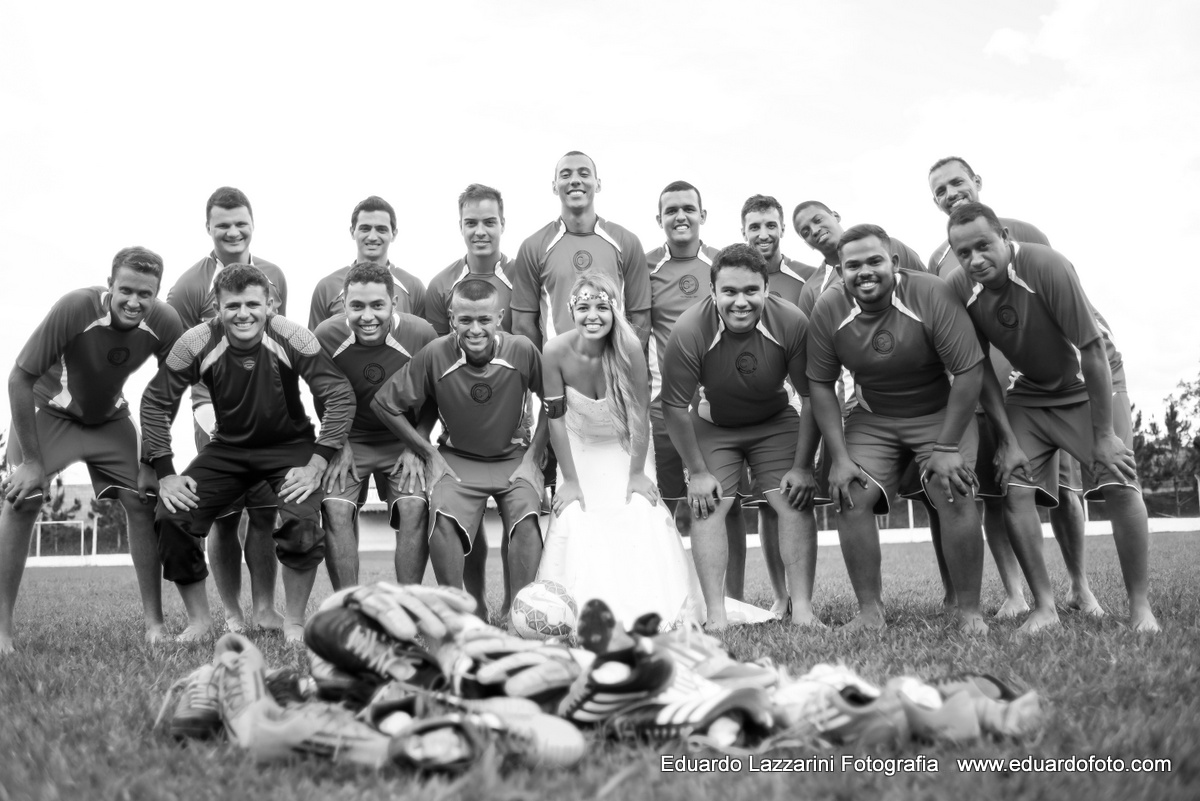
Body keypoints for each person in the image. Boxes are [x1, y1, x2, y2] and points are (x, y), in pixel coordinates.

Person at [945, 202, 1158, 633]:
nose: (975, 260)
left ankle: (1140, 608)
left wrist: (1103, 435)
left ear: (1004, 236)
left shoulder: (1046, 265)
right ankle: (1045, 607)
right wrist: (1007, 440)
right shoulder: (959, 288)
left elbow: (1092, 348)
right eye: (963, 253)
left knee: (1118, 481)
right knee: (1016, 488)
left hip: (1089, 383)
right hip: (1032, 391)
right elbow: (980, 367)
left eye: (983, 246)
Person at [142, 265, 355, 642]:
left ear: (270, 304)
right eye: (233, 305)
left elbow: (338, 393)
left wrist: (318, 461)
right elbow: (155, 401)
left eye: (253, 304)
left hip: (289, 447)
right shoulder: (195, 341)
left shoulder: (292, 335)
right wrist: (166, 472)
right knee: (172, 514)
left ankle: (292, 621)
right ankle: (200, 621)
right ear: (217, 307)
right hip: (229, 449)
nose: (244, 313)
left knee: (302, 525)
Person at [926, 157, 1100, 618]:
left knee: (1063, 491)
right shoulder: (939, 260)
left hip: (1044, 388)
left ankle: (1080, 586)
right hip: (986, 398)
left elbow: (1063, 298)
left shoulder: (1022, 232)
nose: (950, 193)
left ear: (977, 183)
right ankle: (1016, 593)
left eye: (957, 182)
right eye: (939, 190)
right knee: (999, 492)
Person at [0, 247, 183, 654]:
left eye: (146, 294)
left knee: (143, 498)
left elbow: (165, 395)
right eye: (126, 291)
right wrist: (32, 462)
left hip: (109, 420)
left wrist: (153, 460)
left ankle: (155, 624)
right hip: (51, 411)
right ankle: (2, 632)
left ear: (157, 294)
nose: (135, 302)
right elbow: (19, 378)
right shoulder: (75, 307)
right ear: (110, 285)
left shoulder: (165, 322)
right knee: (23, 499)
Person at [806, 225, 988, 634]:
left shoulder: (929, 293)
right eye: (852, 265)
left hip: (938, 413)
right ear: (839, 270)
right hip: (875, 416)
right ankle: (870, 611)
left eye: (874, 261)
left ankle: (969, 611)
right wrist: (838, 457)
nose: (864, 272)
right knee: (850, 491)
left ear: (894, 263)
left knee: (952, 485)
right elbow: (820, 383)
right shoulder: (829, 309)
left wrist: (945, 446)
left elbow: (969, 370)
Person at [661, 243, 821, 629]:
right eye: (729, 292)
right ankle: (716, 614)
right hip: (715, 426)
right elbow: (673, 406)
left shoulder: (792, 321)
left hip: (773, 421)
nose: (741, 302)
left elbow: (812, 397)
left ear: (767, 289)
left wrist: (802, 466)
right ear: (712, 292)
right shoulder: (689, 329)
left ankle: (801, 608)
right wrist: (697, 473)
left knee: (793, 501)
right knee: (708, 504)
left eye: (751, 291)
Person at [371, 279, 547, 620]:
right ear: (452, 318)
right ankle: (459, 615)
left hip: (513, 461)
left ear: (499, 317)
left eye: (484, 319)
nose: (475, 328)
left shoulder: (522, 349)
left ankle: (519, 614)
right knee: (444, 518)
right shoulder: (437, 353)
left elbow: (555, 403)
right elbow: (384, 405)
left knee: (526, 518)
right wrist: (428, 452)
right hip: (457, 461)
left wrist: (533, 457)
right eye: (466, 320)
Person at [538, 271, 706, 625]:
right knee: (576, 513)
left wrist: (635, 474)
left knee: (639, 509)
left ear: (616, 309)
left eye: (603, 306)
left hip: (626, 444)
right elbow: (554, 419)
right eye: (583, 307)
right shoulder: (554, 351)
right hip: (578, 446)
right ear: (570, 309)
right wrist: (569, 480)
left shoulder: (629, 349)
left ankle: (656, 610)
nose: (592, 315)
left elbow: (640, 415)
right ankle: (576, 612)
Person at [166, 186, 287, 633]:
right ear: (209, 229)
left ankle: (264, 608)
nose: (233, 231)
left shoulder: (274, 275)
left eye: (241, 223)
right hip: (213, 416)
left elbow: (279, 345)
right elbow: (178, 359)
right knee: (224, 516)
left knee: (264, 513)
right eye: (223, 224)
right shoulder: (188, 286)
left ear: (253, 224)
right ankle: (233, 613)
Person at [645, 181, 756, 601]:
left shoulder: (722, 263)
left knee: (726, 505)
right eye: (671, 210)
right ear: (659, 220)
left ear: (703, 215)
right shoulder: (644, 268)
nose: (680, 217)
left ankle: (734, 597)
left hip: (716, 407)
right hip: (663, 405)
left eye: (688, 208)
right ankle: (675, 596)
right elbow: (636, 335)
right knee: (667, 506)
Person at [314, 263, 437, 589]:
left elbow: (435, 397)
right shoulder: (326, 336)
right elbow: (320, 395)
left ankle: (410, 604)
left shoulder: (421, 333)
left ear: (394, 303)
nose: (367, 316)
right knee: (335, 509)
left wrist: (418, 444)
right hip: (350, 437)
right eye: (357, 306)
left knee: (414, 506)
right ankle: (350, 606)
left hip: (402, 438)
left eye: (377, 305)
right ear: (344, 305)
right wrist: (338, 444)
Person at [738, 195, 820, 617]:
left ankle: (802, 597)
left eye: (770, 225)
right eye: (754, 227)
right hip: (745, 412)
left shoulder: (804, 281)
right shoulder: (732, 279)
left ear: (782, 228)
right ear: (743, 233)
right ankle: (780, 596)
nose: (763, 234)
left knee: (790, 499)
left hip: (791, 413)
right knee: (765, 509)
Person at [510, 151, 651, 349]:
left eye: (584, 174)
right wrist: (550, 369)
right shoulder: (533, 247)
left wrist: (621, 362)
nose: (575, 180)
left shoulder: (626, 242)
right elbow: (523, 325)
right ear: (554, 186)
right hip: (558, 375)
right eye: (566, 175)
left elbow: (641, 319)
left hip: (612, 372)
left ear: (598, 184)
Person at [308, 196, 427, 328]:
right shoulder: (327, 287)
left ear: (394, 234)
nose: (372, 237)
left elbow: (423, 341)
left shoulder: (413, 287)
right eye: (365, 228)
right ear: (352, 232)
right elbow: (314, 345)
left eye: (381, 229)